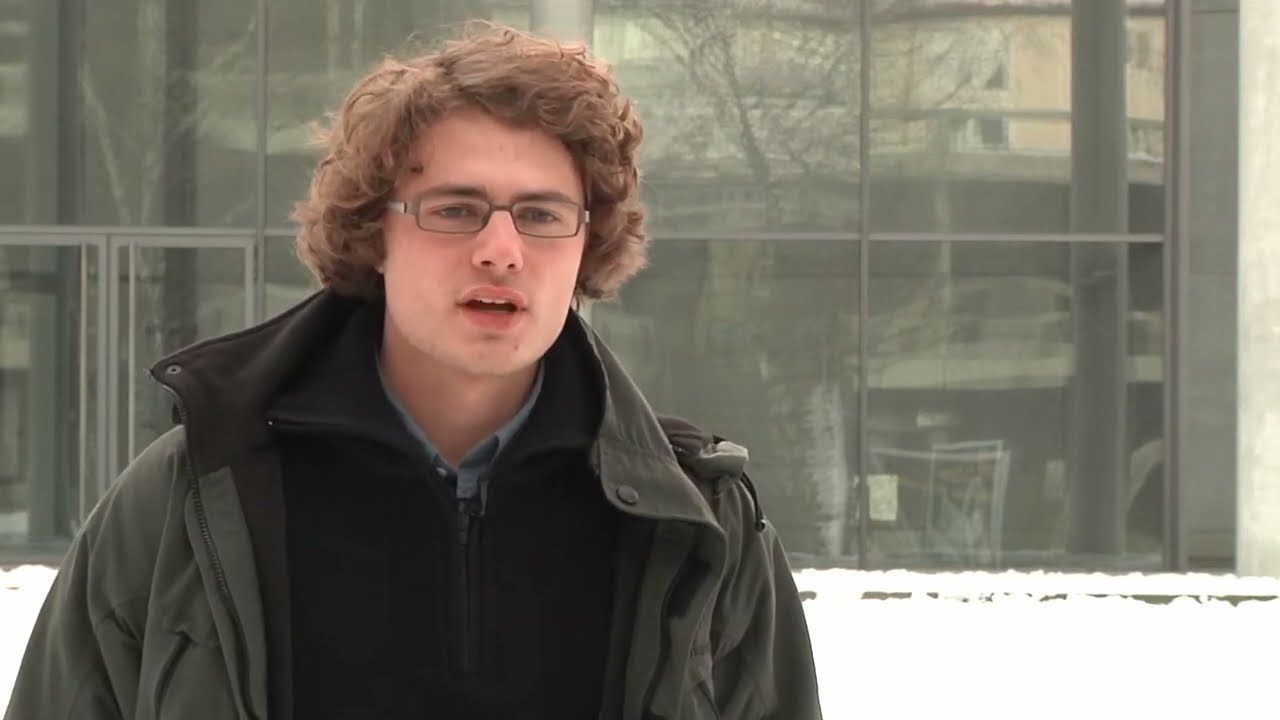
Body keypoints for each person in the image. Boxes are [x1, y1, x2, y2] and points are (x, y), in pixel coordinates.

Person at [5, 24, 822, 720]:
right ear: (375, 234)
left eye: (541, 214)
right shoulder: (192, 501)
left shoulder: (700, 529)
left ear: (587, 246)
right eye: (455, 209)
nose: (501, 249)